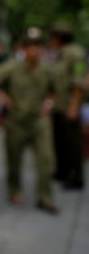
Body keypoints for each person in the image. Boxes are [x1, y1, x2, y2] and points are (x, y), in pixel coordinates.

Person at [0, 27, 58, 214]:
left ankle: (45, 197)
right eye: (30, 46)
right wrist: (5, 99)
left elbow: (55, 91)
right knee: (14, 160)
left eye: (37, 46)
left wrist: (49, 104)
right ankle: (15, 190)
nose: (34, 50)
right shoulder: (12, 67)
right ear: (24, 48)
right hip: (16, 122)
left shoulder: (47, 69)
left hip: (38, 122)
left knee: (46, 160)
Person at [49, 22, 86, 190]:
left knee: (73, 143)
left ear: (59, 38)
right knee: (60, 141)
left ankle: (76, 176)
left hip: (69, 105)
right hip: (59, 105)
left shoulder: (76, 54)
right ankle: (62, 171)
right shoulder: (61, 54)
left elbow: (79, 80)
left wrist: (74, 106)